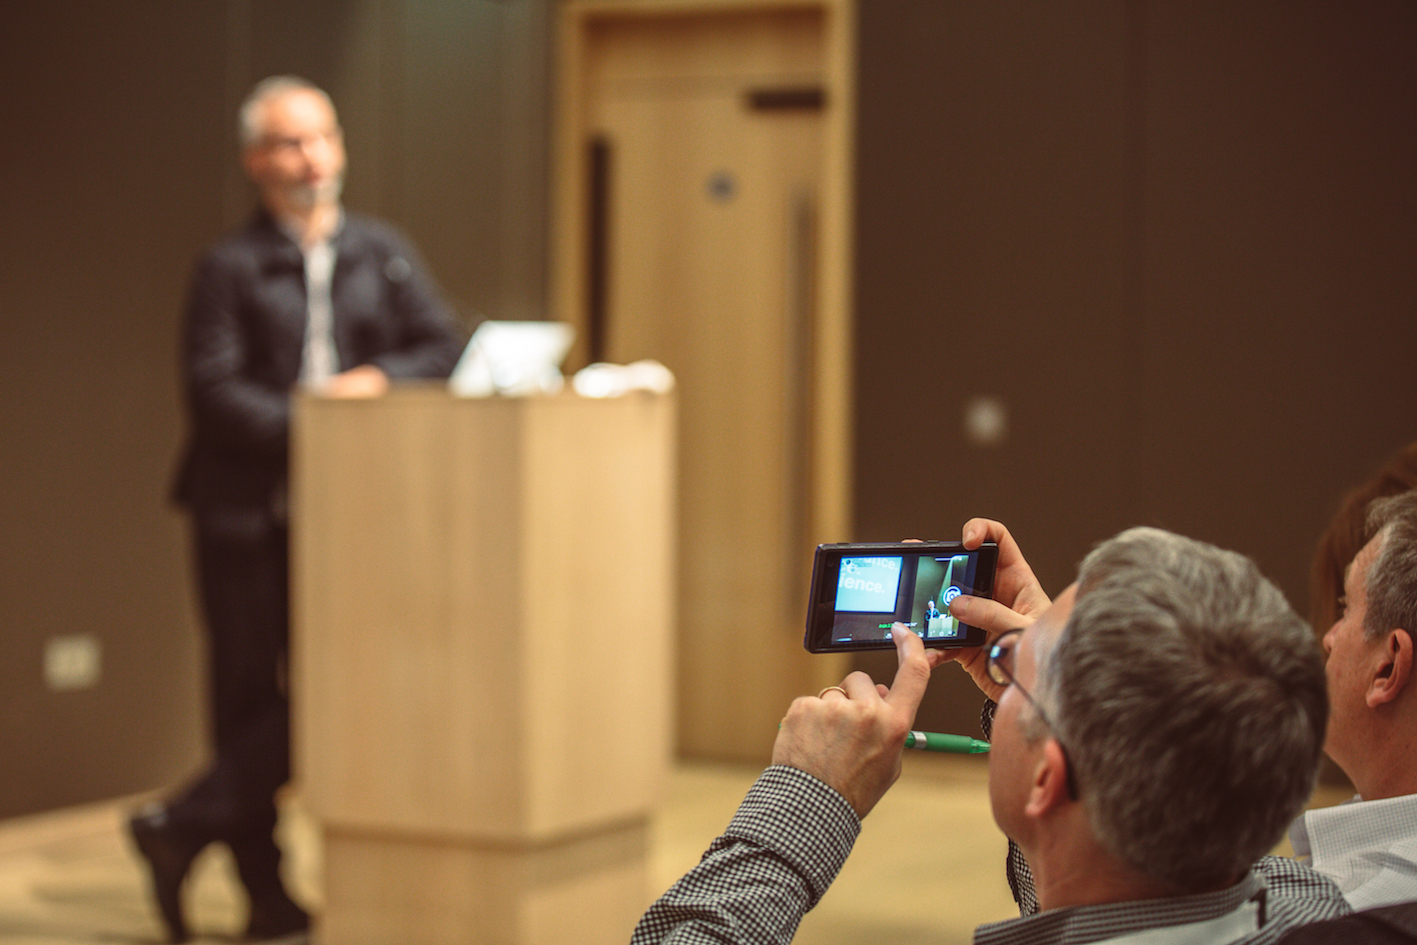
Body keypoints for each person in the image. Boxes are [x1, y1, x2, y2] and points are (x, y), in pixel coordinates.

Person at [631, 527, 1348, 944]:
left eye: (1013, 665)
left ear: (1046, 778)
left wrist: (804, 804)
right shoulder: (1325, 908)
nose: (998, 675)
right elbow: (1102, 888)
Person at [127, 76, 465, 943]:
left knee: (330, 693)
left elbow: (442, 343)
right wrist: (323, 416)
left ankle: (180, 822)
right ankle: (265, 894)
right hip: (242, 514)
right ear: (255, 161)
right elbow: (215, 394)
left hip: (348, 523)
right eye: (289, 143)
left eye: (321, 138)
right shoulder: (227, 267)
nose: (310, 158)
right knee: (245, 701)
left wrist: (378, 380)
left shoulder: (381, 252)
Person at [951, 502, 1417, 916]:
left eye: (1345, 606)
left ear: (1390, 664)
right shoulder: (1292, 897)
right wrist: (1046, 677)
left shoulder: (1357, 912)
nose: (1330, 636)